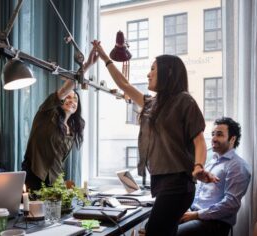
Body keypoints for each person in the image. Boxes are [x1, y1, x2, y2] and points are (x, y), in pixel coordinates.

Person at [92, 40, 218, 236]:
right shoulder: (151, 104)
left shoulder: (184, 101)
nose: (148, 74)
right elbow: (123, 84)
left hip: (178, 183)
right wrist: (103, 56)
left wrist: (199, 166)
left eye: (153, 69)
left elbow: (199, 139)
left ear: (168, 73)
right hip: (162, 182)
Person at [22, 49, 98, 191]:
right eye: (68, 97)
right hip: (34, 176)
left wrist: (62, 187)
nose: (71, 100)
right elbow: (63, 90)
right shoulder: (46, 113)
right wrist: (87, 65)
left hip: (55, 182)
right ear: (61, 101)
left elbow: (58, 160)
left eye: (75, 99)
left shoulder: (73, 129)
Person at [177, 117, 251, 236]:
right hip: (196, 215)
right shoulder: (213, 161)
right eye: (213, 134)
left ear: (232, 139)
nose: (214, 139)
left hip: (214, 224)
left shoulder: (238, 166)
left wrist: (196, 215)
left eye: (219, 135)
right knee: (154, 226)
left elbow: (231, 205)